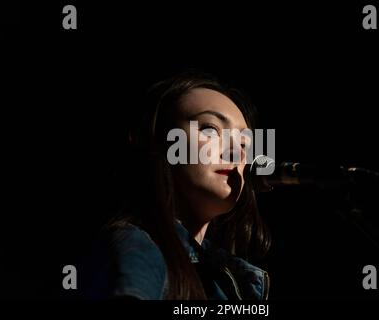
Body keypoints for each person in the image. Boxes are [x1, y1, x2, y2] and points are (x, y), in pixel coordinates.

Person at [80, 71, 271, 300]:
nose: (236, 150)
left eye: (244, 142)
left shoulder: (226, 276)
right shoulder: (136, 245)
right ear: (157, 143)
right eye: (210, 129)